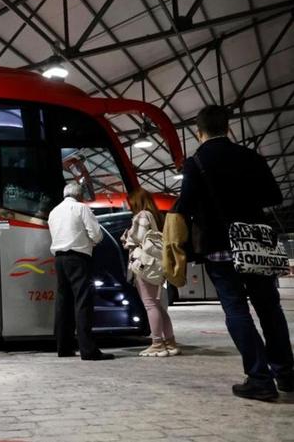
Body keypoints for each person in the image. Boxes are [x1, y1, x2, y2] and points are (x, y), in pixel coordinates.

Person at [176, 105, 293, 401]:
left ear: (197, 131)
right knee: (270, 308)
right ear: (228, 128)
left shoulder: (196, 162)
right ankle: (287, 374)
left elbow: (185, 205)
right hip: (255, 247)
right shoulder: (250, 157)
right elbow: (274, 196)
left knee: (236, 310)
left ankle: (259, 378)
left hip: (220, 248)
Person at [48, 182, 114, 360]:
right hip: (78, 258)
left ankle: (64, 348)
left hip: (59, 259)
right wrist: (90, 243)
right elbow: (97, 235)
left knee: (63, 303)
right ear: (79, 195)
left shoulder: (53, 212)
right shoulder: (81, 208)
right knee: (82, 302)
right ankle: (88, 350)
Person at [122, 188, 180, 357]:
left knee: (150, 305)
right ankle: (170, 342)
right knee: (159, 306)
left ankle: (157, 344)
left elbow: (138, 238)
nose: (128, 205)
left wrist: (126, 237)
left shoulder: (141, 216)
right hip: (156, 264)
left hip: (145, 265)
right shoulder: (155, 216)